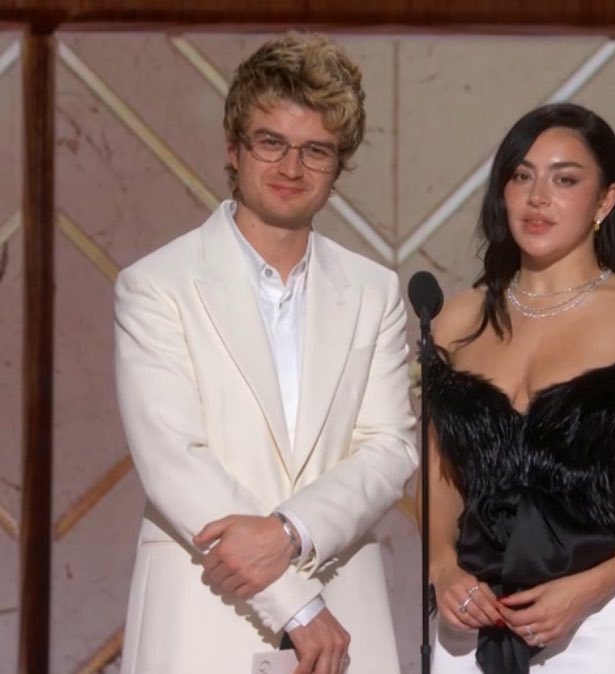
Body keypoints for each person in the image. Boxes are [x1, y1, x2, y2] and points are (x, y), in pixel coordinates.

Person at [114, 32, 418, 674]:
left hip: (345, 600)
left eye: (316, 150)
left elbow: (390, 449)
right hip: (204, 604)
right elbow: (174, 461)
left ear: (338, 165)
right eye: (271, 142)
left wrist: (289, 532)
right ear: (234, 147)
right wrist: (296, 604)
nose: (291, 168)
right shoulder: (157, 284)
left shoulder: (374, 291)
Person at [422, 102, 615, 673]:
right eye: (521, 176)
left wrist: (589, 589)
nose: (537, 197)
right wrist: (443, 566)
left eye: (564, 179)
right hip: (471, 623)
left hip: (606, 620)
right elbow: (439, 476)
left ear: (605, 200)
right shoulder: (455, 321)